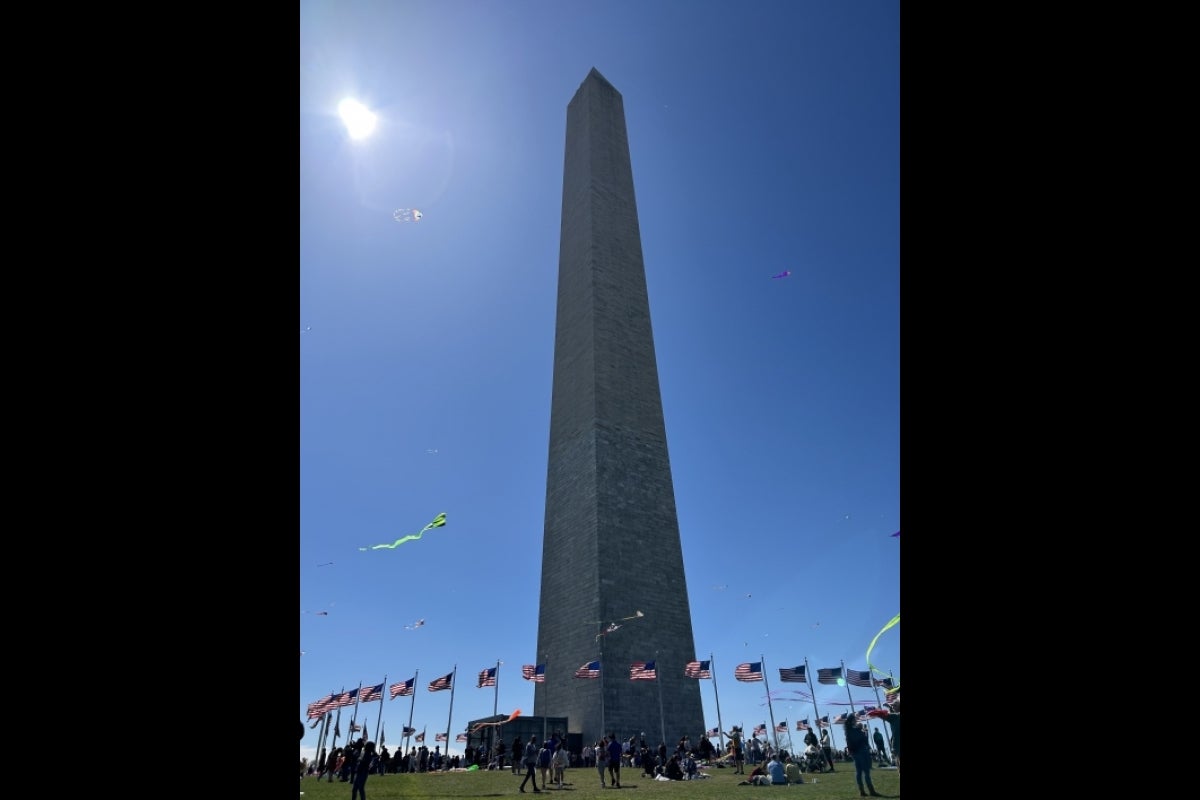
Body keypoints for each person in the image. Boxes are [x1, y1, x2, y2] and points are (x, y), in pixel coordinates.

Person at [844, 717, 880, 797]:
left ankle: (862, 791)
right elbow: (863, 740)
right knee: (866, 772)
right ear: (852, 721)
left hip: (855, 753)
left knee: (859, 772)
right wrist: (863, 733)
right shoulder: (856, 731)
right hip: (861, 751)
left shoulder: (848, 731)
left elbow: (849, 743)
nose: (856, 721)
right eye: (855, 720)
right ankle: (871, 790)